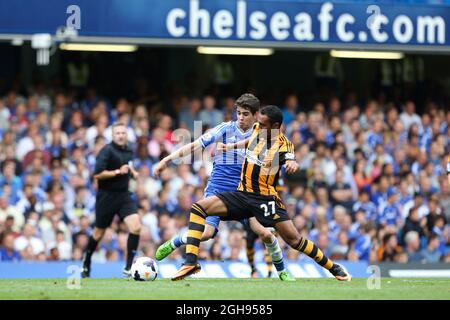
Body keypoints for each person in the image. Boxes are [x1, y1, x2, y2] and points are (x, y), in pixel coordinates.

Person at [169, 105, 351, 281]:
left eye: (264, 124)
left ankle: (333, 267)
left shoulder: (284, 146)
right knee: (199, 208)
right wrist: (230, 147)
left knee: (294, 240)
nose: (258, 126)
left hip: (265, 200)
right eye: (259, 123)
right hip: (242, 195)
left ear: (276, 126)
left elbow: (291, 159)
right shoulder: (258, 129)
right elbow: (251, 140)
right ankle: (191, 262)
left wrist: (292, 164)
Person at [153, 94, 294, 281]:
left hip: (246, 192)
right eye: (238, 113)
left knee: (266, 234)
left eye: (245, 114)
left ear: (255, 115)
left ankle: (282, 271)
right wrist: (166, 160)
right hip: (218, 189)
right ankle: (177, 241)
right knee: (206, 234)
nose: (240, 118)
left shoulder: (262, 133)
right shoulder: (225, 129)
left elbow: (280, 153)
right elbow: (195, 144)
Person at [81, 122, 141, 278]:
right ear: (113, 136)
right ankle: (86, 262)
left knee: (135, 227)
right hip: (106, 196)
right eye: (118, 133)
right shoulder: (106, 151)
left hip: (123, 195)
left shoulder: (129, 150)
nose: (121, 135)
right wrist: (117, 172)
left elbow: (127, 166)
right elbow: (97, 174)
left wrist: (133, 172)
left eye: (123, 133)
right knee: (98, 232)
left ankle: (128, 268)